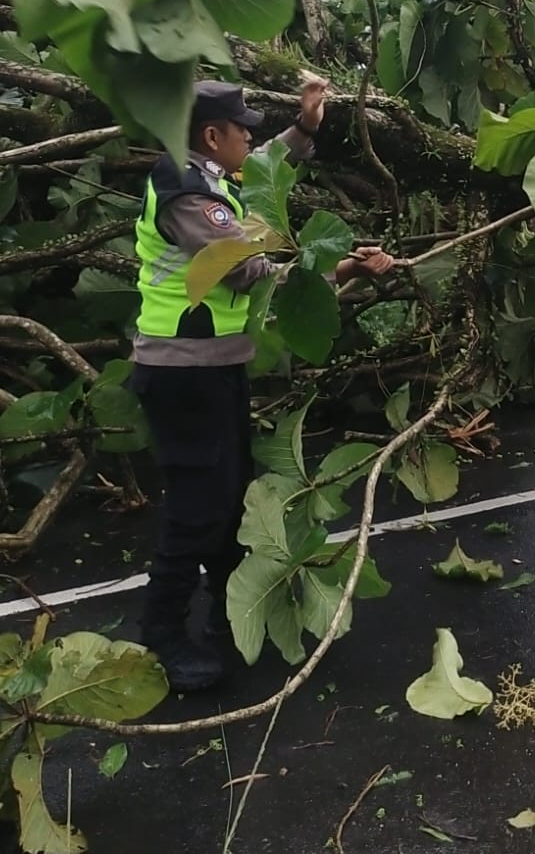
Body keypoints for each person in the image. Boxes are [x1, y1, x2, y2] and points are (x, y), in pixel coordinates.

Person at [130, 76, 394, 692]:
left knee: (229, 496)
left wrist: (305, 127)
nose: (250, 138)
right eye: (241, 129)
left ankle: (229, 612)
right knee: (196, 509)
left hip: (213, 368)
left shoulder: (210, 178)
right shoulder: (186, 191)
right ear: (211, 135)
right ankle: (162, 635)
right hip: (181, 375)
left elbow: (265, 167)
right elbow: (243, 269)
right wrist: (339, 268)